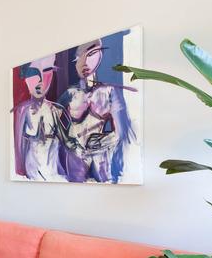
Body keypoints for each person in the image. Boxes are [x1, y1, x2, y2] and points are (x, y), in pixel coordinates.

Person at [58, 39, 136, 183]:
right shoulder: (69, 94)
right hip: (74, 159)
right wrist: (68, 141)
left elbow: (123, 133)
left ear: (100, 55)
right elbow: (54, 123)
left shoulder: (110, 92)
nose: (85, 62)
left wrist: (101, 141)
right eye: (79, 58)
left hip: (100, 159)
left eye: (91, 54)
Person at [12, 54, 71, 181]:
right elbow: (19, 147)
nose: (41, 79)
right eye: (33, 72)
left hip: (53, 171)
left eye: (47, 70)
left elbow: (66, 143)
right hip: (31, 172)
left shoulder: (56, 110)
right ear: (25, 77)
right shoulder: (22, 111)